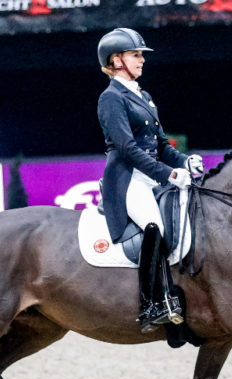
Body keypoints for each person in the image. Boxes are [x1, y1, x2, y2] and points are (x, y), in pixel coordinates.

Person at [96, 28, 205, 334]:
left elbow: (160, 144)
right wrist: (168, 174)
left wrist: (184, 162)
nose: (142, 60)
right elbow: (128, 149)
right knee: (153, 227)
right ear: (116, 60)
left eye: (141, 54)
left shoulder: (143, 96)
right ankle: (151, 304)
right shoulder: (111, 98)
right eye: (135, 54)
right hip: (128, 179)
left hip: (152, 176)